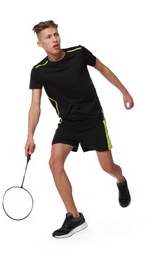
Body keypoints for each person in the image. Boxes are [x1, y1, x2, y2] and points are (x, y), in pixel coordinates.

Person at [25, 20, 134, 239]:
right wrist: (30, 135)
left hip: (93, 119)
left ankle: (121, 181)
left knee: (108, 167)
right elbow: (35, 106)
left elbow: (103, 69)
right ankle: (74, 217)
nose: (54, 39)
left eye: (55, 34)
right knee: (54, 163)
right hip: (68, 123)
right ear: (40, 44)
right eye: (48, 37)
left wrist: (125, 92)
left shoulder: (78, 52)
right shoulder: (39, 71)